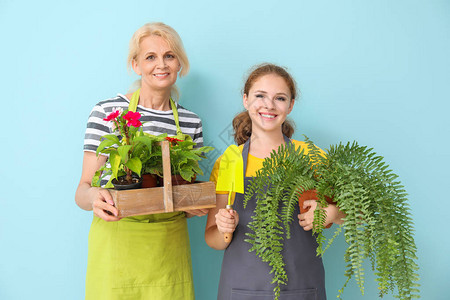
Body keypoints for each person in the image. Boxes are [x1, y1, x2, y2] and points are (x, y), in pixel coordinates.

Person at [75, 22, 208, 300]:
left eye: (169, 56)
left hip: (168, 249)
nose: (161, 64)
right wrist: (95, 198)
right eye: (150, 57)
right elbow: (83, 190)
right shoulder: (108, 111)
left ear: (179, 63)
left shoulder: (190, 121)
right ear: (136, 65)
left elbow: (184, 190)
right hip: (117, 241)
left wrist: (194, 205)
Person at [205, 63, 345, 300]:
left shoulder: (311, 157)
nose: (269, 105)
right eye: (260, 96)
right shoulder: (230, 160)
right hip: (241, 290)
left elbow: (359, 213)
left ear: (290, 106)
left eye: (279, 98)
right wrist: (224, 229)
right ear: (246, 99)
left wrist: (330, 213)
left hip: (301, 288)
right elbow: (213, 240)